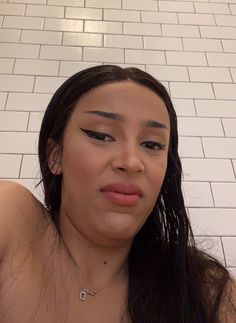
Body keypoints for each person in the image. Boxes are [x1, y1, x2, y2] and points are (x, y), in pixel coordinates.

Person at [0, 64, 235, 323]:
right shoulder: (12, 218)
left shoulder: (207, 290)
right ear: (55, 155)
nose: (132, 161)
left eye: (152, 144)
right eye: (101, 135)